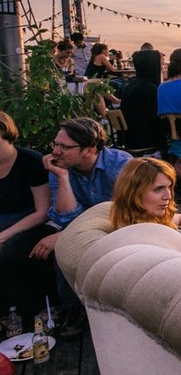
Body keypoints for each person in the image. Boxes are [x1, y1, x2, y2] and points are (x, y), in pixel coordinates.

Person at [37, 118, 134, 336]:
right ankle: (73, 310)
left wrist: (65, 235)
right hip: (83, 230)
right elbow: (65, 218)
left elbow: (129, 213)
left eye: (64, 147)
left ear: (90, 149)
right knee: (59, 247)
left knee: (63, 243)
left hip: (122, 227)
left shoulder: (121, 165)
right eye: (56, 144)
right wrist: (62, 178)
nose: (56, 151)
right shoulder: (61, 169)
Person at [0, 112, 53, 326]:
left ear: (4, 131)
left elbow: (42, 211)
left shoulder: (30, 161)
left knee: (8, 252)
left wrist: (3, 235)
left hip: (30, 221)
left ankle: (24, 312)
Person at [109, 157, 181, 237]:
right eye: (158, 189)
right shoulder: (137, 234)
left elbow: (179, 218)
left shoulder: (151, 218)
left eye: (169, 187)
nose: (168, 196)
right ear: (133, 193)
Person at [119, 49, 163, 152]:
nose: (162, 68)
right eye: (161, 64)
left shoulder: (130, 86)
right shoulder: (150, 90)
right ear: (153, 66)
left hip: (129, 138)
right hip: (145, 140)